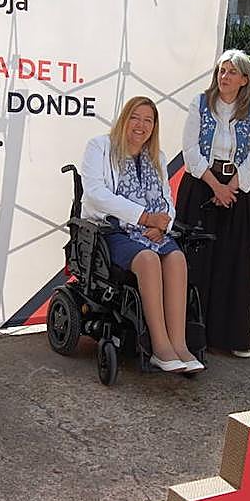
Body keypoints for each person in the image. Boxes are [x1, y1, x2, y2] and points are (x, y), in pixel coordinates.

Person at [80, 96, 203, 374]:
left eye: (148, 120)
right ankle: (160, 347)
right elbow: (96, 194)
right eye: (135, 117)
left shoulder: (157, 157)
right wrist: (145, 217)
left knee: (176, 259)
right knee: (148, 259)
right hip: (112, 230)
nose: (141, 125)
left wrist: (162, 225)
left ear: (154, 127)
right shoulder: (99, 147)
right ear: (124, 118)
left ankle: (179, 344)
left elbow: (167, 199)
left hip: (151, 230)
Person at [176, 49, 250, 358]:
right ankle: (191, 334)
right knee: (197, 261)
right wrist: (216, 186)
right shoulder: (200, 103)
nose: (224, 76)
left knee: (232, 260)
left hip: (237, 191)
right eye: (221, 70)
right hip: (201, 187)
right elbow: (190, 150)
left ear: (244, 80)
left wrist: (230, 188)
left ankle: (231, 337)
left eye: (231, 72)